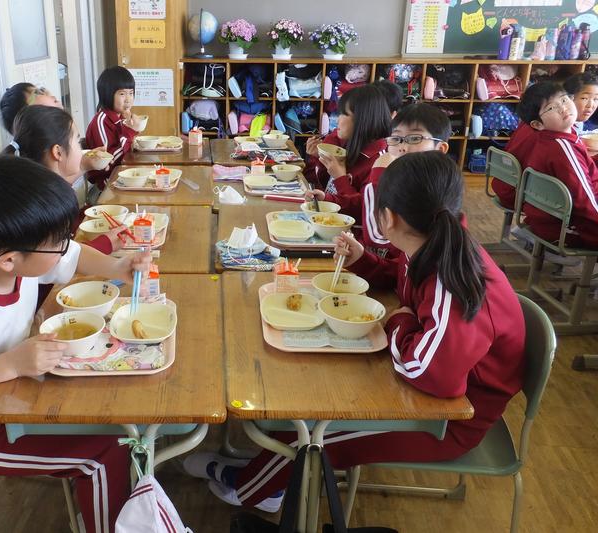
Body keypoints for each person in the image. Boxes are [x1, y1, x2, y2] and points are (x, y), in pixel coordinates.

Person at [186, 152, 526, 511]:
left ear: (388, 218)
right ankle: (270, 474)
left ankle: (250, 489)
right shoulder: (432, 243)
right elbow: (401, 278)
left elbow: (429, 373)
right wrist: (363, 260)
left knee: (312, 437)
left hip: (448, 420)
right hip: (432, 391)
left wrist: (400, 322)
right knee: (304, 408)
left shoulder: (452, 281)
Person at [0, 156, 152, 533]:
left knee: (112, 413)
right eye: (57, 243)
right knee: (106, 452)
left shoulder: (5, 257)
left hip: (15, 392)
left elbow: (72, 256)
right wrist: (10, 364)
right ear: (10, 260)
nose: (65, 248)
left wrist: (117, 267)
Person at [310, 103, 451, 259]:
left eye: (415, 138)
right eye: (396, 138)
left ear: (440, 149)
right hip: (373, 258)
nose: (402, 147)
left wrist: (377, 175)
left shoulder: (435, 191)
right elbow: (397, 267)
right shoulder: (403, 178)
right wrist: (328, 199)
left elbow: (378, 236)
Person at [6, 105, 125, 254]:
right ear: (58, 152)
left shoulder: (42, 188)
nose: (81, 148)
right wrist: (104, 244)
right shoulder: (43, 204)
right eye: (77, 141)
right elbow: (56, 260)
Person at [516, 82, 598, 248]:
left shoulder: (554, 139)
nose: (563, 108)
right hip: (567, 229)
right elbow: (585, 202)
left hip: (552, 220)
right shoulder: (563, 148)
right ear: (538, 124)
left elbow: (584, 172)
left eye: (564, 100)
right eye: (551, 108)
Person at [303, 84, 391, 217]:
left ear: (363, 119)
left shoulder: (379, 161)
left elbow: (363, 212)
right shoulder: (349, 145)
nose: (337, 119)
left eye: (344, 114)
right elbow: (324, 187)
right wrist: (317, 157)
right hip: (329, 219)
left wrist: (340, 177)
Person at [85, 66, 145, 189]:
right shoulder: (101, 121)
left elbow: (127, 149)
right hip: (110, 181)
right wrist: (131, 131)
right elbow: (109, 160)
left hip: (125, 174)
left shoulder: (121, 117)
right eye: (122, 94)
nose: (128, 99)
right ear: (107, 95)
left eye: (131, 93)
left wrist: (132, 130)